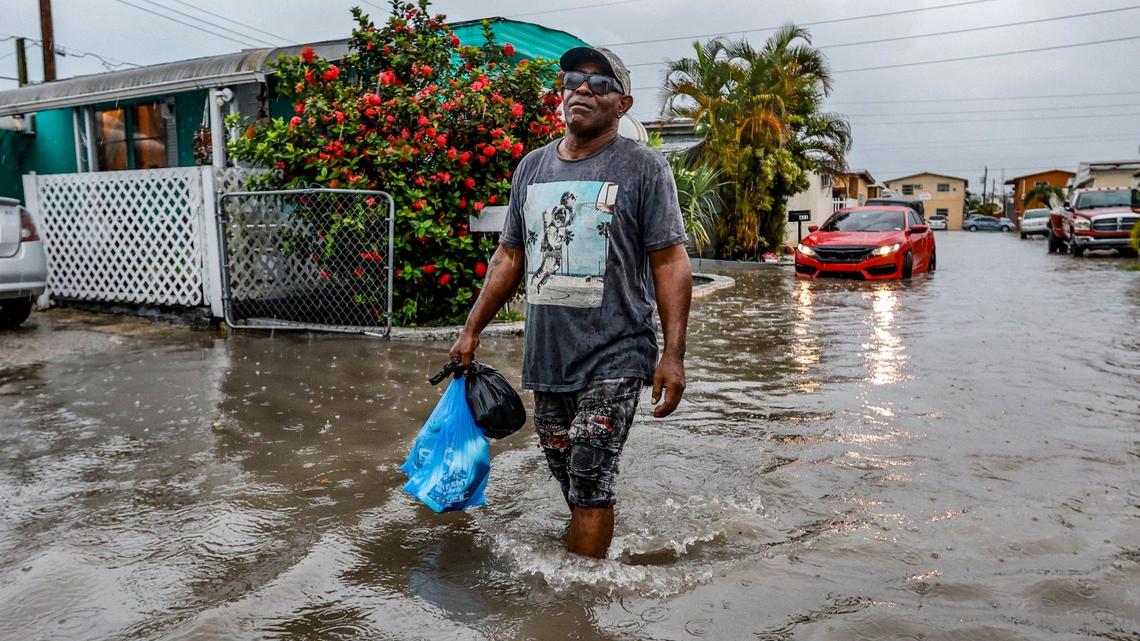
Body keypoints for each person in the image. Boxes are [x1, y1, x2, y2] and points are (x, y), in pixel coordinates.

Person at [449, 46, 692, 559]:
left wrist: (673, 355)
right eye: (572, 80)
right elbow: (509, 257)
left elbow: (670, 262)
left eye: (599, 83)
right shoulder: (532, 168)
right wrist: (471, 330)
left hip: (617, 352)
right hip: (548, 357)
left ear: (622, 104)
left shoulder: (644, 167)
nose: (582, 89)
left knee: (589, 475)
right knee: (569, 475)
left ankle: (579, 596)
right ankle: (586, 561)